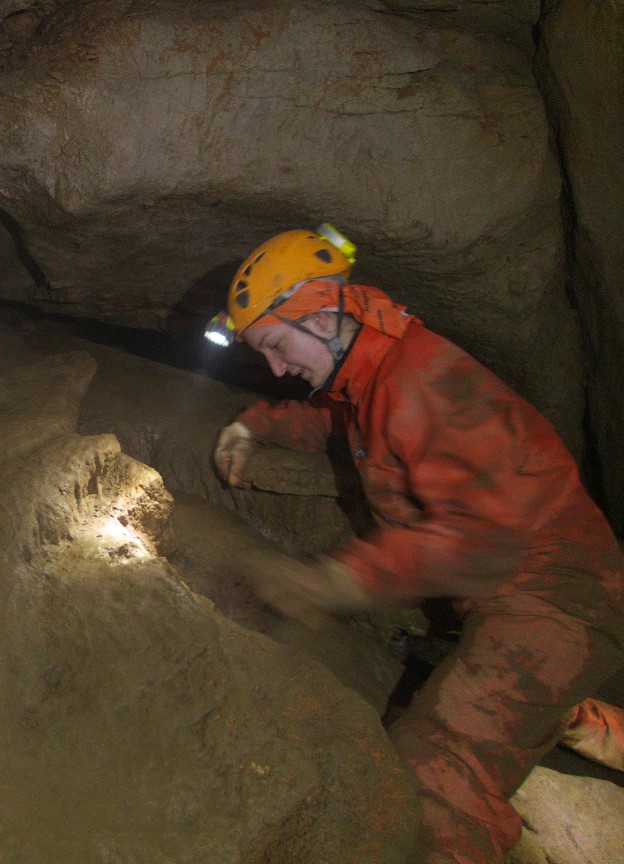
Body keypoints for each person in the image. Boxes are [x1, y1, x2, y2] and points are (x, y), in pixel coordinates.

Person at [205, 225, 624, 863]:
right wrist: (251, 425)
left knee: (435, 781)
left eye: (276, 346)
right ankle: (581, 721)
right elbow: (338, 419)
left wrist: (341, 580)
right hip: (526, 590)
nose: (277, 368)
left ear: (320, 315)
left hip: (555, 597)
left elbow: (481, 538)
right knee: (529, 700)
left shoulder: (421, 379)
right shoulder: (378, 371)